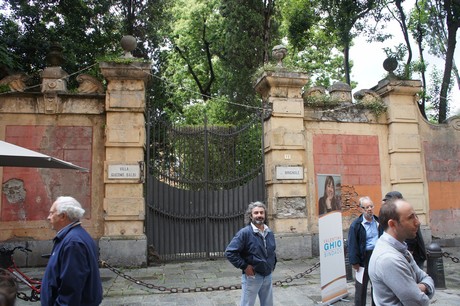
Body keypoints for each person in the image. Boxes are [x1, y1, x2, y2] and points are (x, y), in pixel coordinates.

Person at [369, 197, 435, 305]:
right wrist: (418, 289)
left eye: (416, 216)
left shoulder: (400, 247)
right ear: (393, 224)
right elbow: (418, 302)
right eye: (410, 218)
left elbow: (425, 277)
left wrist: (421, 287)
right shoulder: (388, 259)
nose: (417, 222)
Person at [41, 196, 103, 306]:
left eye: (52, 213)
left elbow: (71, 288)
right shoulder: (72, 237)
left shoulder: (73, 243)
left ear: (63, 216)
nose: (48, 217)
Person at [225, 201, 277, 306]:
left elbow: (271, 251)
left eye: (261, 213)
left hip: (267, 275)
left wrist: (272, 264)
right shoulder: (245, 233)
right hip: (253, 277)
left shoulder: (269, 232)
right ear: (251, 216)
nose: (259, 215)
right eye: (256, 213)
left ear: (265, 215)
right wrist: (245, 266)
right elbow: (230, 252)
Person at [348, 196, 383, 306]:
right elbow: (352, 244)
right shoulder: (356, 225)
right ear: (361, 209)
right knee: (361, 287)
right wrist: (354, 262)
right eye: (366, 207)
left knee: (377, 285)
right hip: (363, 257)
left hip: (377, 256)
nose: (369, 209)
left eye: (371, 206)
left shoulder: (378, 222)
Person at [382, 191, 427, 269]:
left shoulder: (405, 213)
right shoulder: (393, 213)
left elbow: (411, 238)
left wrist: (408, 255)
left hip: (414, 256)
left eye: (389, 201)